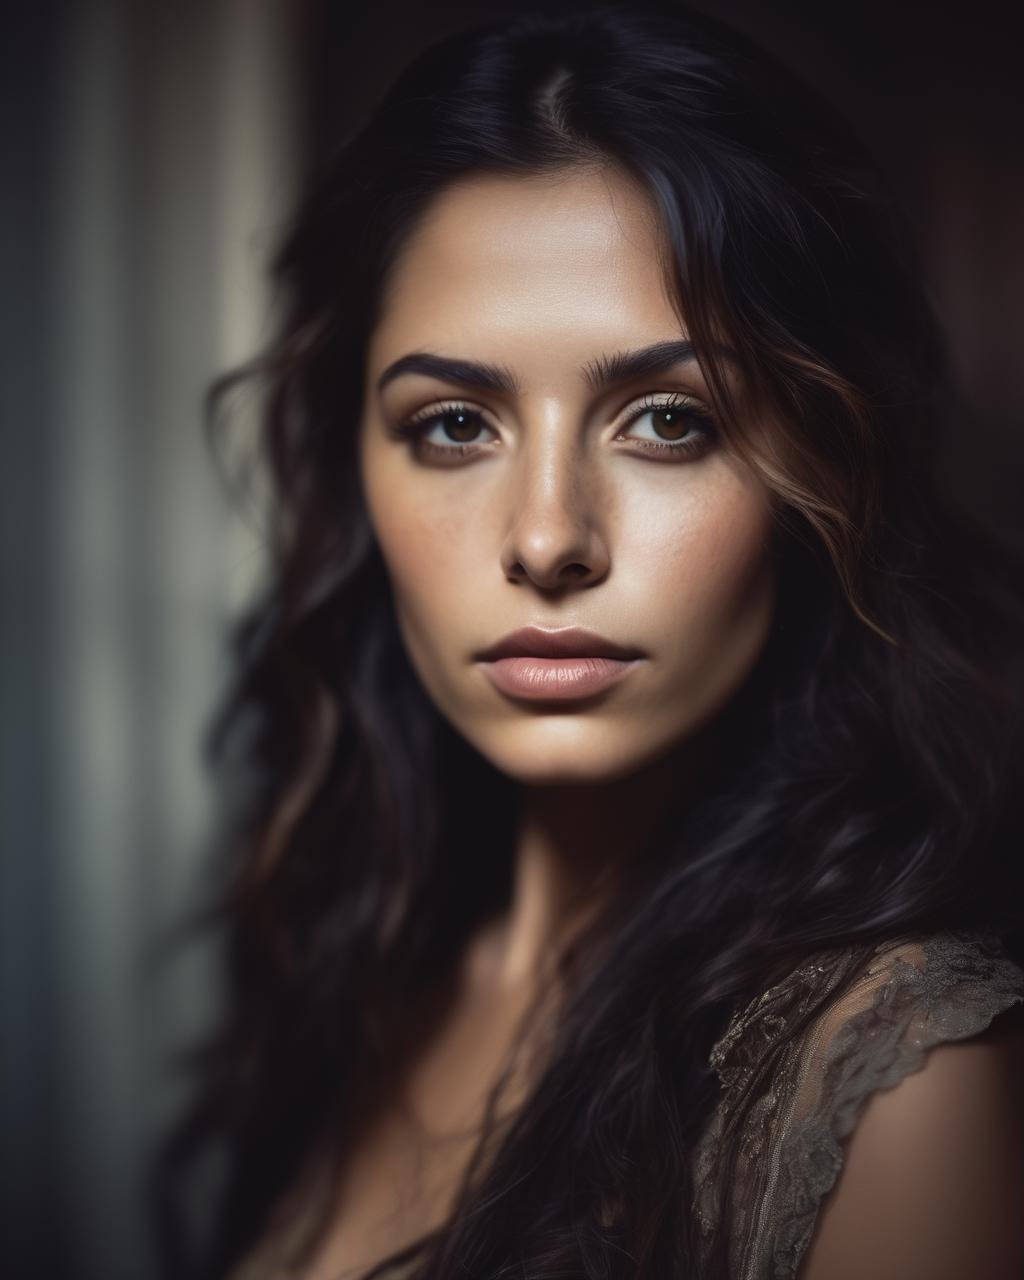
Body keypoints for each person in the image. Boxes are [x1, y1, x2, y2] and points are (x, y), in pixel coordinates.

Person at [153, 4, 1024, 1278]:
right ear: (355, 476)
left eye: (667, 420)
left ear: (818, 476)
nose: (548, 536)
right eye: (453, 424)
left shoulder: (892, 1088)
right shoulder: (368, 957)